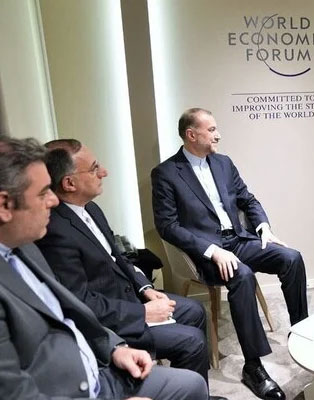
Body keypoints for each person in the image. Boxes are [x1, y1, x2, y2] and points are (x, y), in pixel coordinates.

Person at [0, 136, 207, 400]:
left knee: (194, 316)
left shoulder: (26, 246)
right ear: (4, 205)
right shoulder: (50, 233)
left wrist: (115, 346)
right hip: (85, 371)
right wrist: (141, 313)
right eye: (43, 193)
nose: (52, 200)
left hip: (103, 346)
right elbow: (80, 302)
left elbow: (112, 264)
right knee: (191, 343)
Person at [152, 107, 308, 400]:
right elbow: (167, 226)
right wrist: (211, 250)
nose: (218, 135)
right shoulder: (166, 173)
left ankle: (301, 331)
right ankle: (253, 366)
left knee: (291, 257)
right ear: (191, 134)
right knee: (243, 276)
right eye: (212, 130)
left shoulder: (223, 163)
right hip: (206, 253)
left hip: (238, 240)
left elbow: (248, 199)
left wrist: (263, 227)